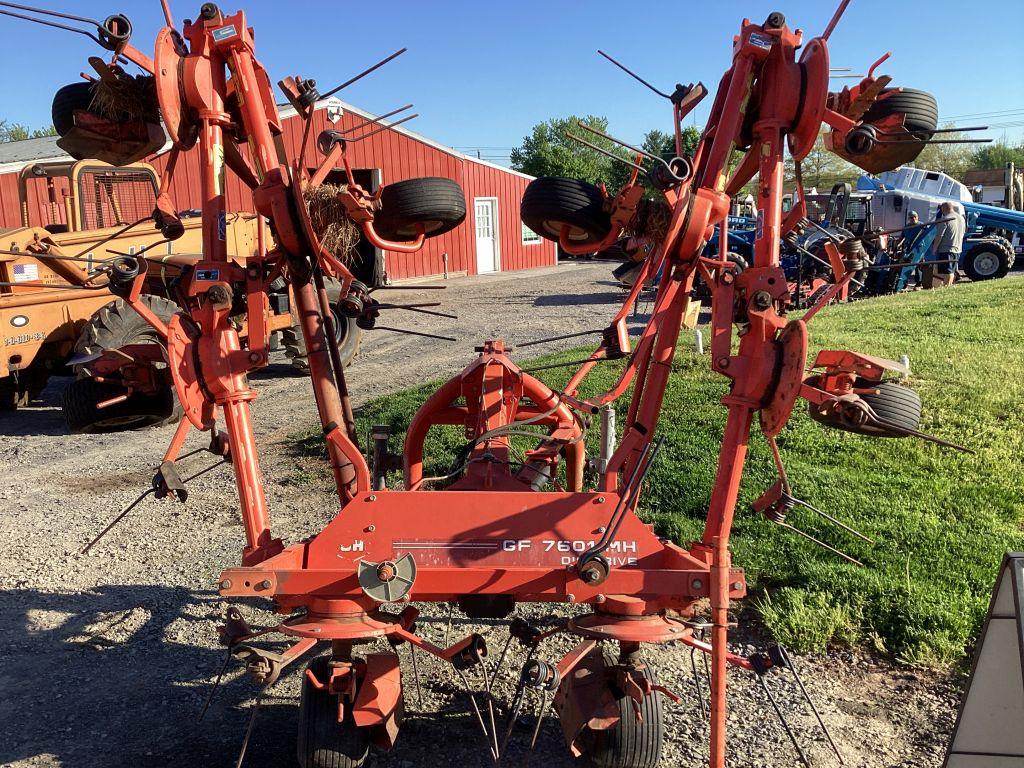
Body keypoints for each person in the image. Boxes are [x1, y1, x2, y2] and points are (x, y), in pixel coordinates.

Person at [928, 202, 966, 288]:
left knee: (948, 271)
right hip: (957, 248)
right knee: (951, 270)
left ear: (943, 209)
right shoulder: (961, 219)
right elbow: (963, 232)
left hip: (946, 249)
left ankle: (946, 288)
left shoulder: (945, 219)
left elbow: (939, 236)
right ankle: (948, 286)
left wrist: (934, 249)